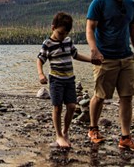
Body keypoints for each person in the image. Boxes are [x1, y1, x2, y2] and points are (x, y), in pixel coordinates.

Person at [86, 0, 134, 152]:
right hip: (105, 58)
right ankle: (93, 129)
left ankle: (125, 137)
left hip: (126, 58)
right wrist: (94, 50)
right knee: (100, 95)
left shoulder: (131, 4)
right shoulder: (99, 2)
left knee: (127, 97)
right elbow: (89, 29)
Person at [37, 12, 96, 148]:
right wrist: (41, 74)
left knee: (71, 106)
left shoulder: (68, 41)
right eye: (60, 33)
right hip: (56, 80)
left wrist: (91, 60)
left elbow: (75, 55)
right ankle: (58, 136)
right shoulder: (48, 44)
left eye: (65, 33)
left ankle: (65, 131)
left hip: (69, 79)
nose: (63, 36)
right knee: (57, 107)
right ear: (53, 28)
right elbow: (40, 60)